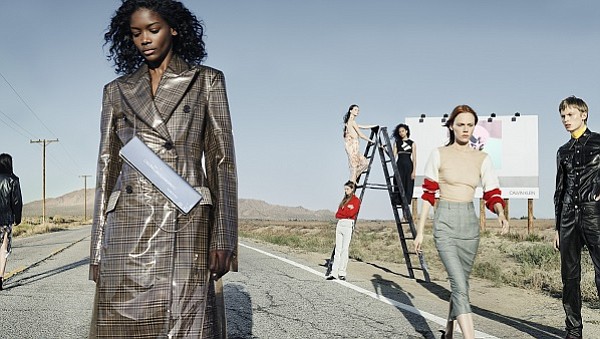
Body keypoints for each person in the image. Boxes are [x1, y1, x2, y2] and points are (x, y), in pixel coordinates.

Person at [89, 1, 237, 338]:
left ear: (174, 28)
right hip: (128, 225)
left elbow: (221, 161)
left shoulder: (206, 81)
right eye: (136, 33)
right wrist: (97, 248)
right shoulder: (116, 91)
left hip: (185, 223)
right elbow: (106, 167)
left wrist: (225, 237)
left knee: (185, 323)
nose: (144, 39)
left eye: (153, 29)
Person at [413, 105, 509, 339]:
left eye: (469, 125)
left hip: (469, 224)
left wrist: (501, 213)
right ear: (452, 126)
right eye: (460, 124)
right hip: (444, 221)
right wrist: (420, 231)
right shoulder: (439, 154)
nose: (465, 129)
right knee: (458, 283)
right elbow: (428, 195)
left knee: (461, 286)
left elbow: (492, 192)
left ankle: (448, 331)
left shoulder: (482, 158)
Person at [554, 95, 600, 339]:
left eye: (570, 114)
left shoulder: (599, 143)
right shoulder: (562, 151)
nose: (565, 119)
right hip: (568, 220)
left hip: (595, 218)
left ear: (583, 114)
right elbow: (559, 191)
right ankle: (573, 331)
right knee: (570, 279)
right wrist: (557, 228)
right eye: (562, 116)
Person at [326, 181, 361, 281]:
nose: (346, 191)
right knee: (338, 249)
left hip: (348, 225)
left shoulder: (356, 200)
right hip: (340, 224)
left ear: (352, 189)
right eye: (345, 189)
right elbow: (338, 214)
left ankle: (342, 272)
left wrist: (344, 211)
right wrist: (345, 211)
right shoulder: (344, 200)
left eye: (347, 189)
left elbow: (352, 213)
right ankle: (334, 272)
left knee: (345, 249)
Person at [0, 153, 22, 291]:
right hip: (6, 220)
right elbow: (17, 202)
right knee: (3, 249)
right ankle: (0, 278)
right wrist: (17, 217)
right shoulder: (13, 180)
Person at [343, 104, 376, 183]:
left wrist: (374, 126)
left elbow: (362, 127)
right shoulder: (351, 122)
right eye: (355, 110)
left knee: (365, 163)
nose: (357, 112)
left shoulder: (350, 122)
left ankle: (354, 179)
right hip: (353, 148)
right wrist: (372, 141)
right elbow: (360, 135)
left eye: (358, 110)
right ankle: (352, 186)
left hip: (354, 148)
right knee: (355, 169)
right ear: (350, 110)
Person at [392, 123, 416, 206]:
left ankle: (406, 212)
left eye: (403, 131)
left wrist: (414, 171)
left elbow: (415, 159)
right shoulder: (397, 143)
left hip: (409, 166)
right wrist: (384, 149)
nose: (401, 133)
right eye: (399, 132)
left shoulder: (412, 143)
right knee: (399, 185)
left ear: (406, 131)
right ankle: (402, 210)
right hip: (399, 166)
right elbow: (392, 156)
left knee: (408, 186)